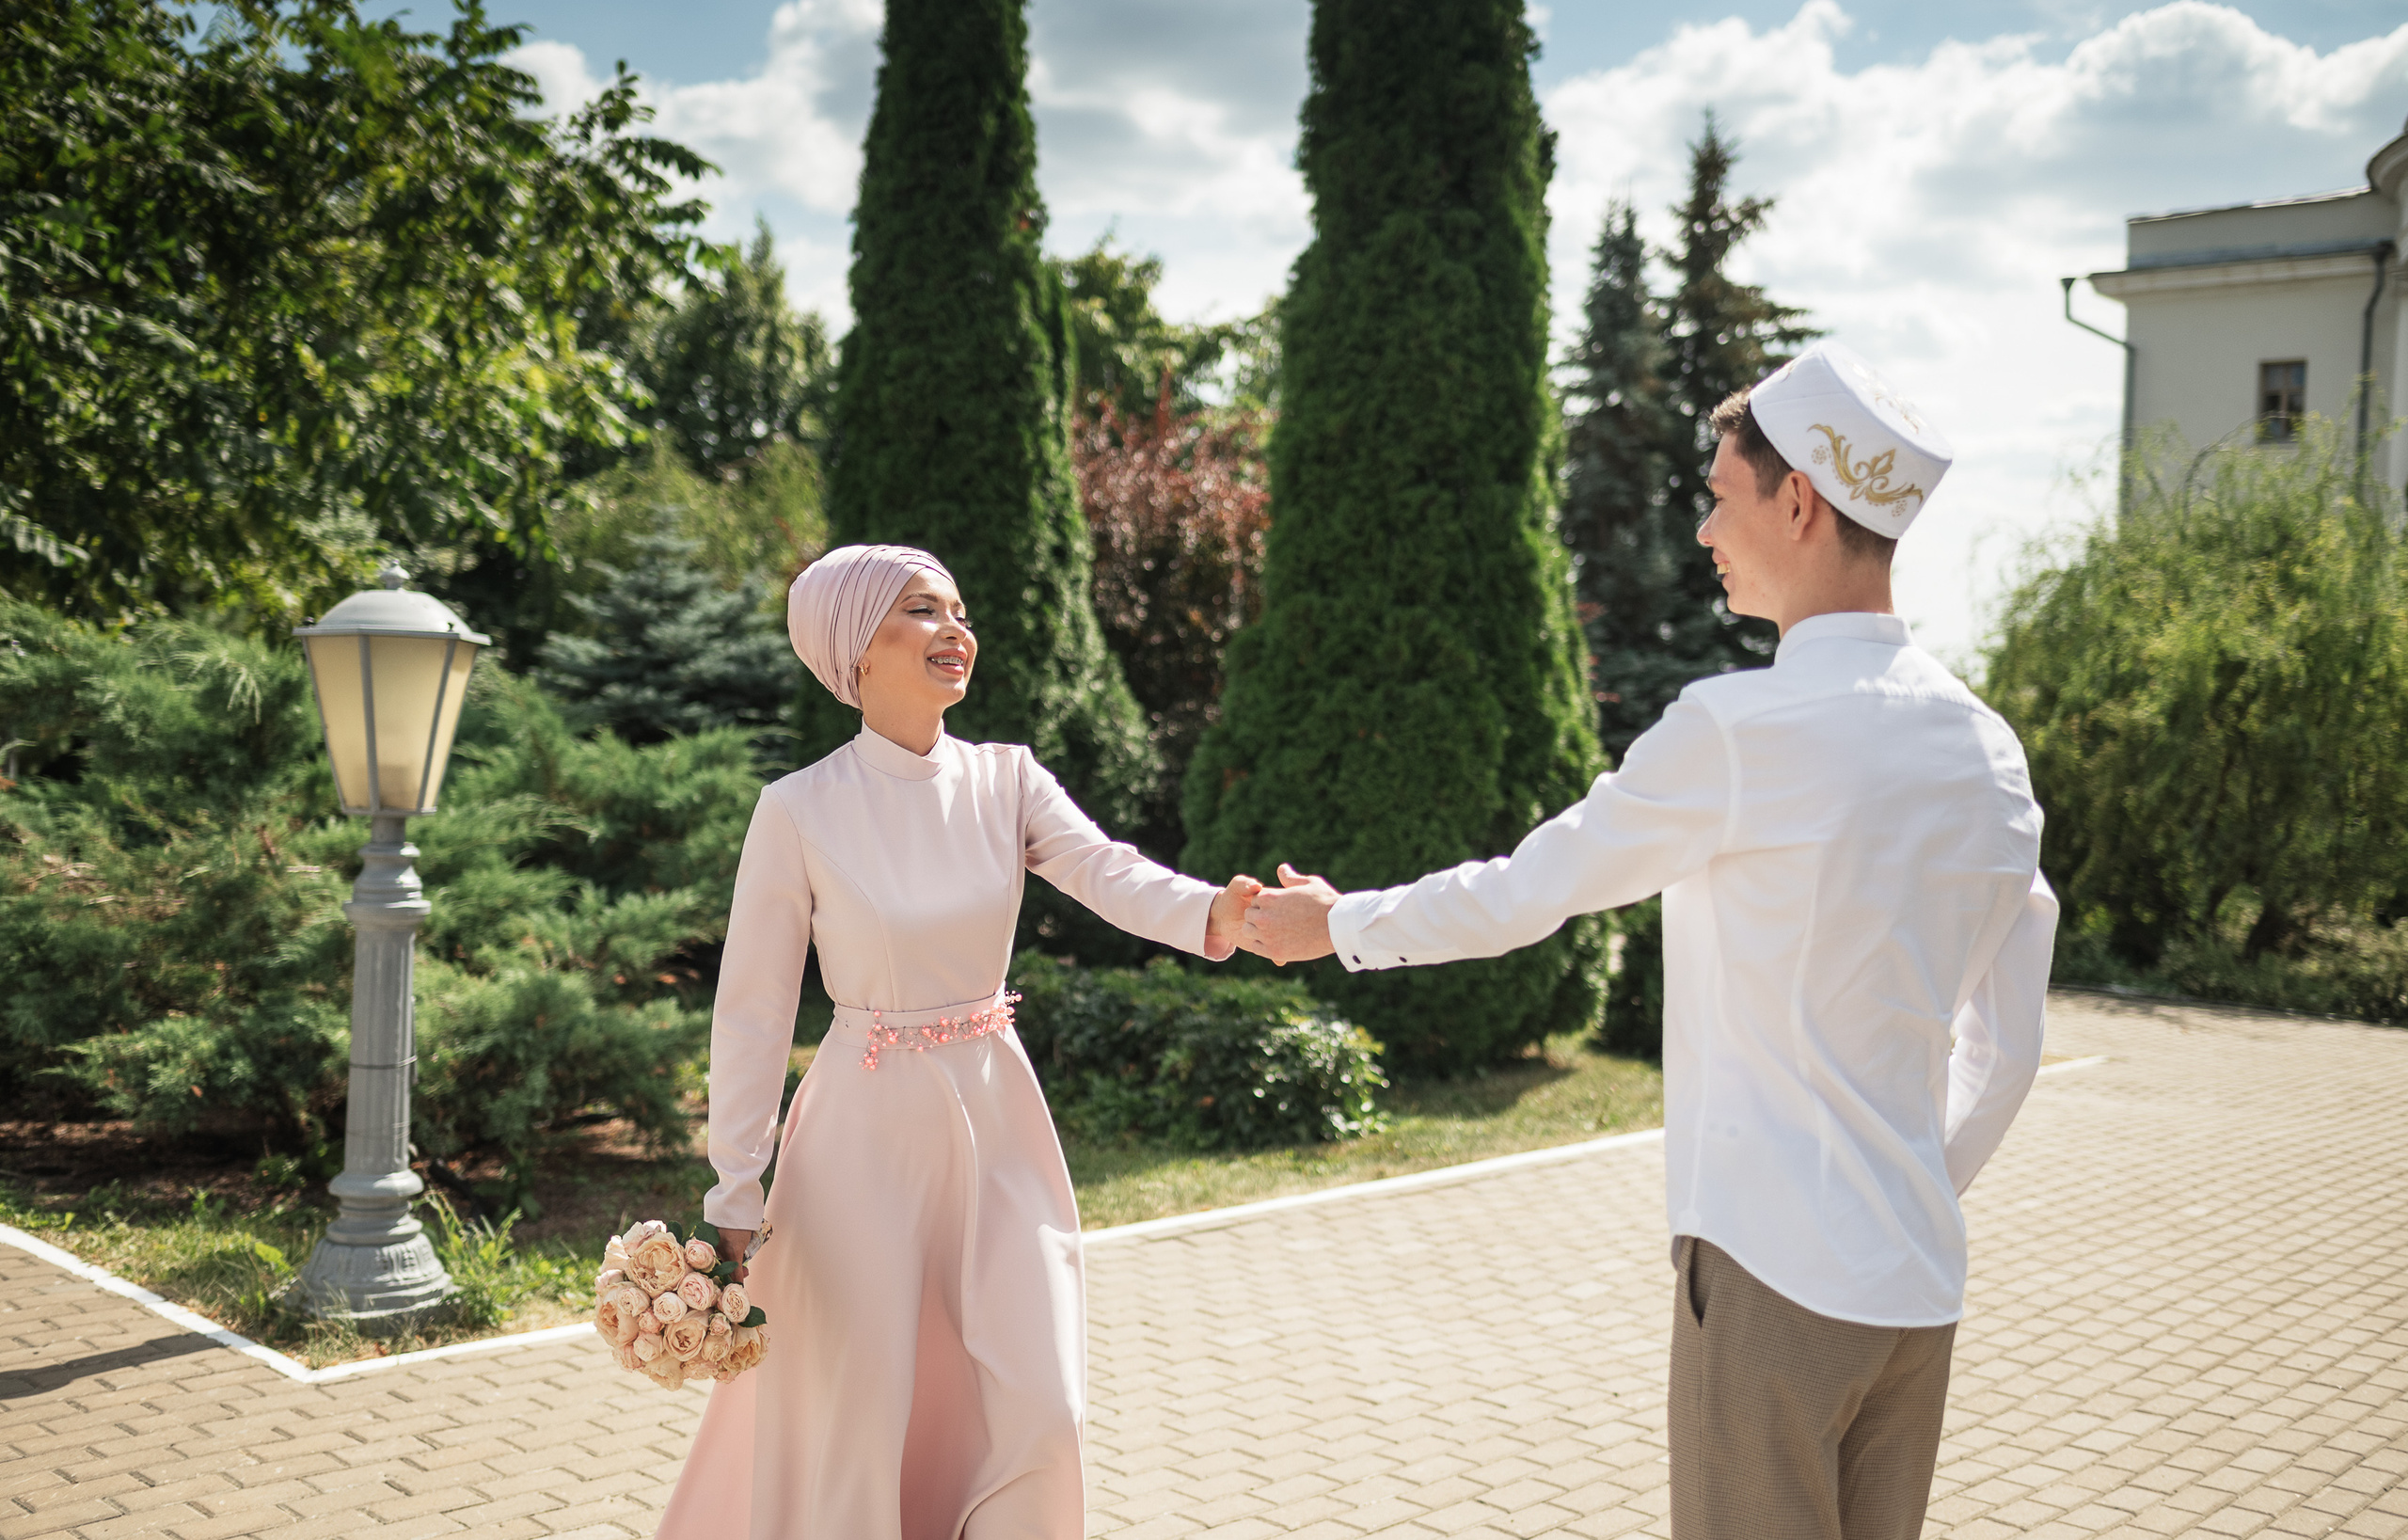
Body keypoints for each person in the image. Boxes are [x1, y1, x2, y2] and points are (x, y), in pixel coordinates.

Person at [1242, 342, 2058, 1540]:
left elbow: (1533, 887)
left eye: (1719, 496)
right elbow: (2013, 1039)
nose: (1702, 531)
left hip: (1773, 1271)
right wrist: (1920, 1180)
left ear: (1797, 500)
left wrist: (1340, 923)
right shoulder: (1987, 749)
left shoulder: (1741, 728)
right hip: (1917, 1284)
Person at [656, 544, 1260, 1540]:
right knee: (865, 1412)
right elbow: (754, 1009)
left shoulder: (1005, 778)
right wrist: (735, 1183)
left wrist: (1216, 915)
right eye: (923, 610)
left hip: (998, 1115)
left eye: (959, 608)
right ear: (854, 646)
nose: (956, 630)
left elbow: (1109, 870)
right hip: (861, 1141)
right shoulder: (798, 809)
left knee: (1042, 1399)